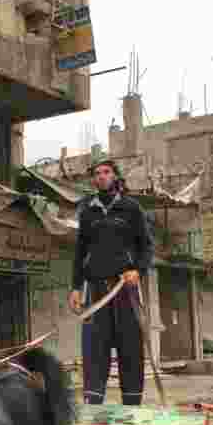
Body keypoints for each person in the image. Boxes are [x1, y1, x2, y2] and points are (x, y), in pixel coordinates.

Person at [68, 159, 154, 406]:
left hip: (125, 289)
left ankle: (132, 407)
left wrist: (138, 270)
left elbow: (146, 246)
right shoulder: (87, 211)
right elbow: (80, 252)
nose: (101, 177)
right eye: (97, 173)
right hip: (95, 292)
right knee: (94, 350)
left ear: (115, 176)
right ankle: (93, 406)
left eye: (106, 172)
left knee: (130, 348)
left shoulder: (131, 208)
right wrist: (75, 287)